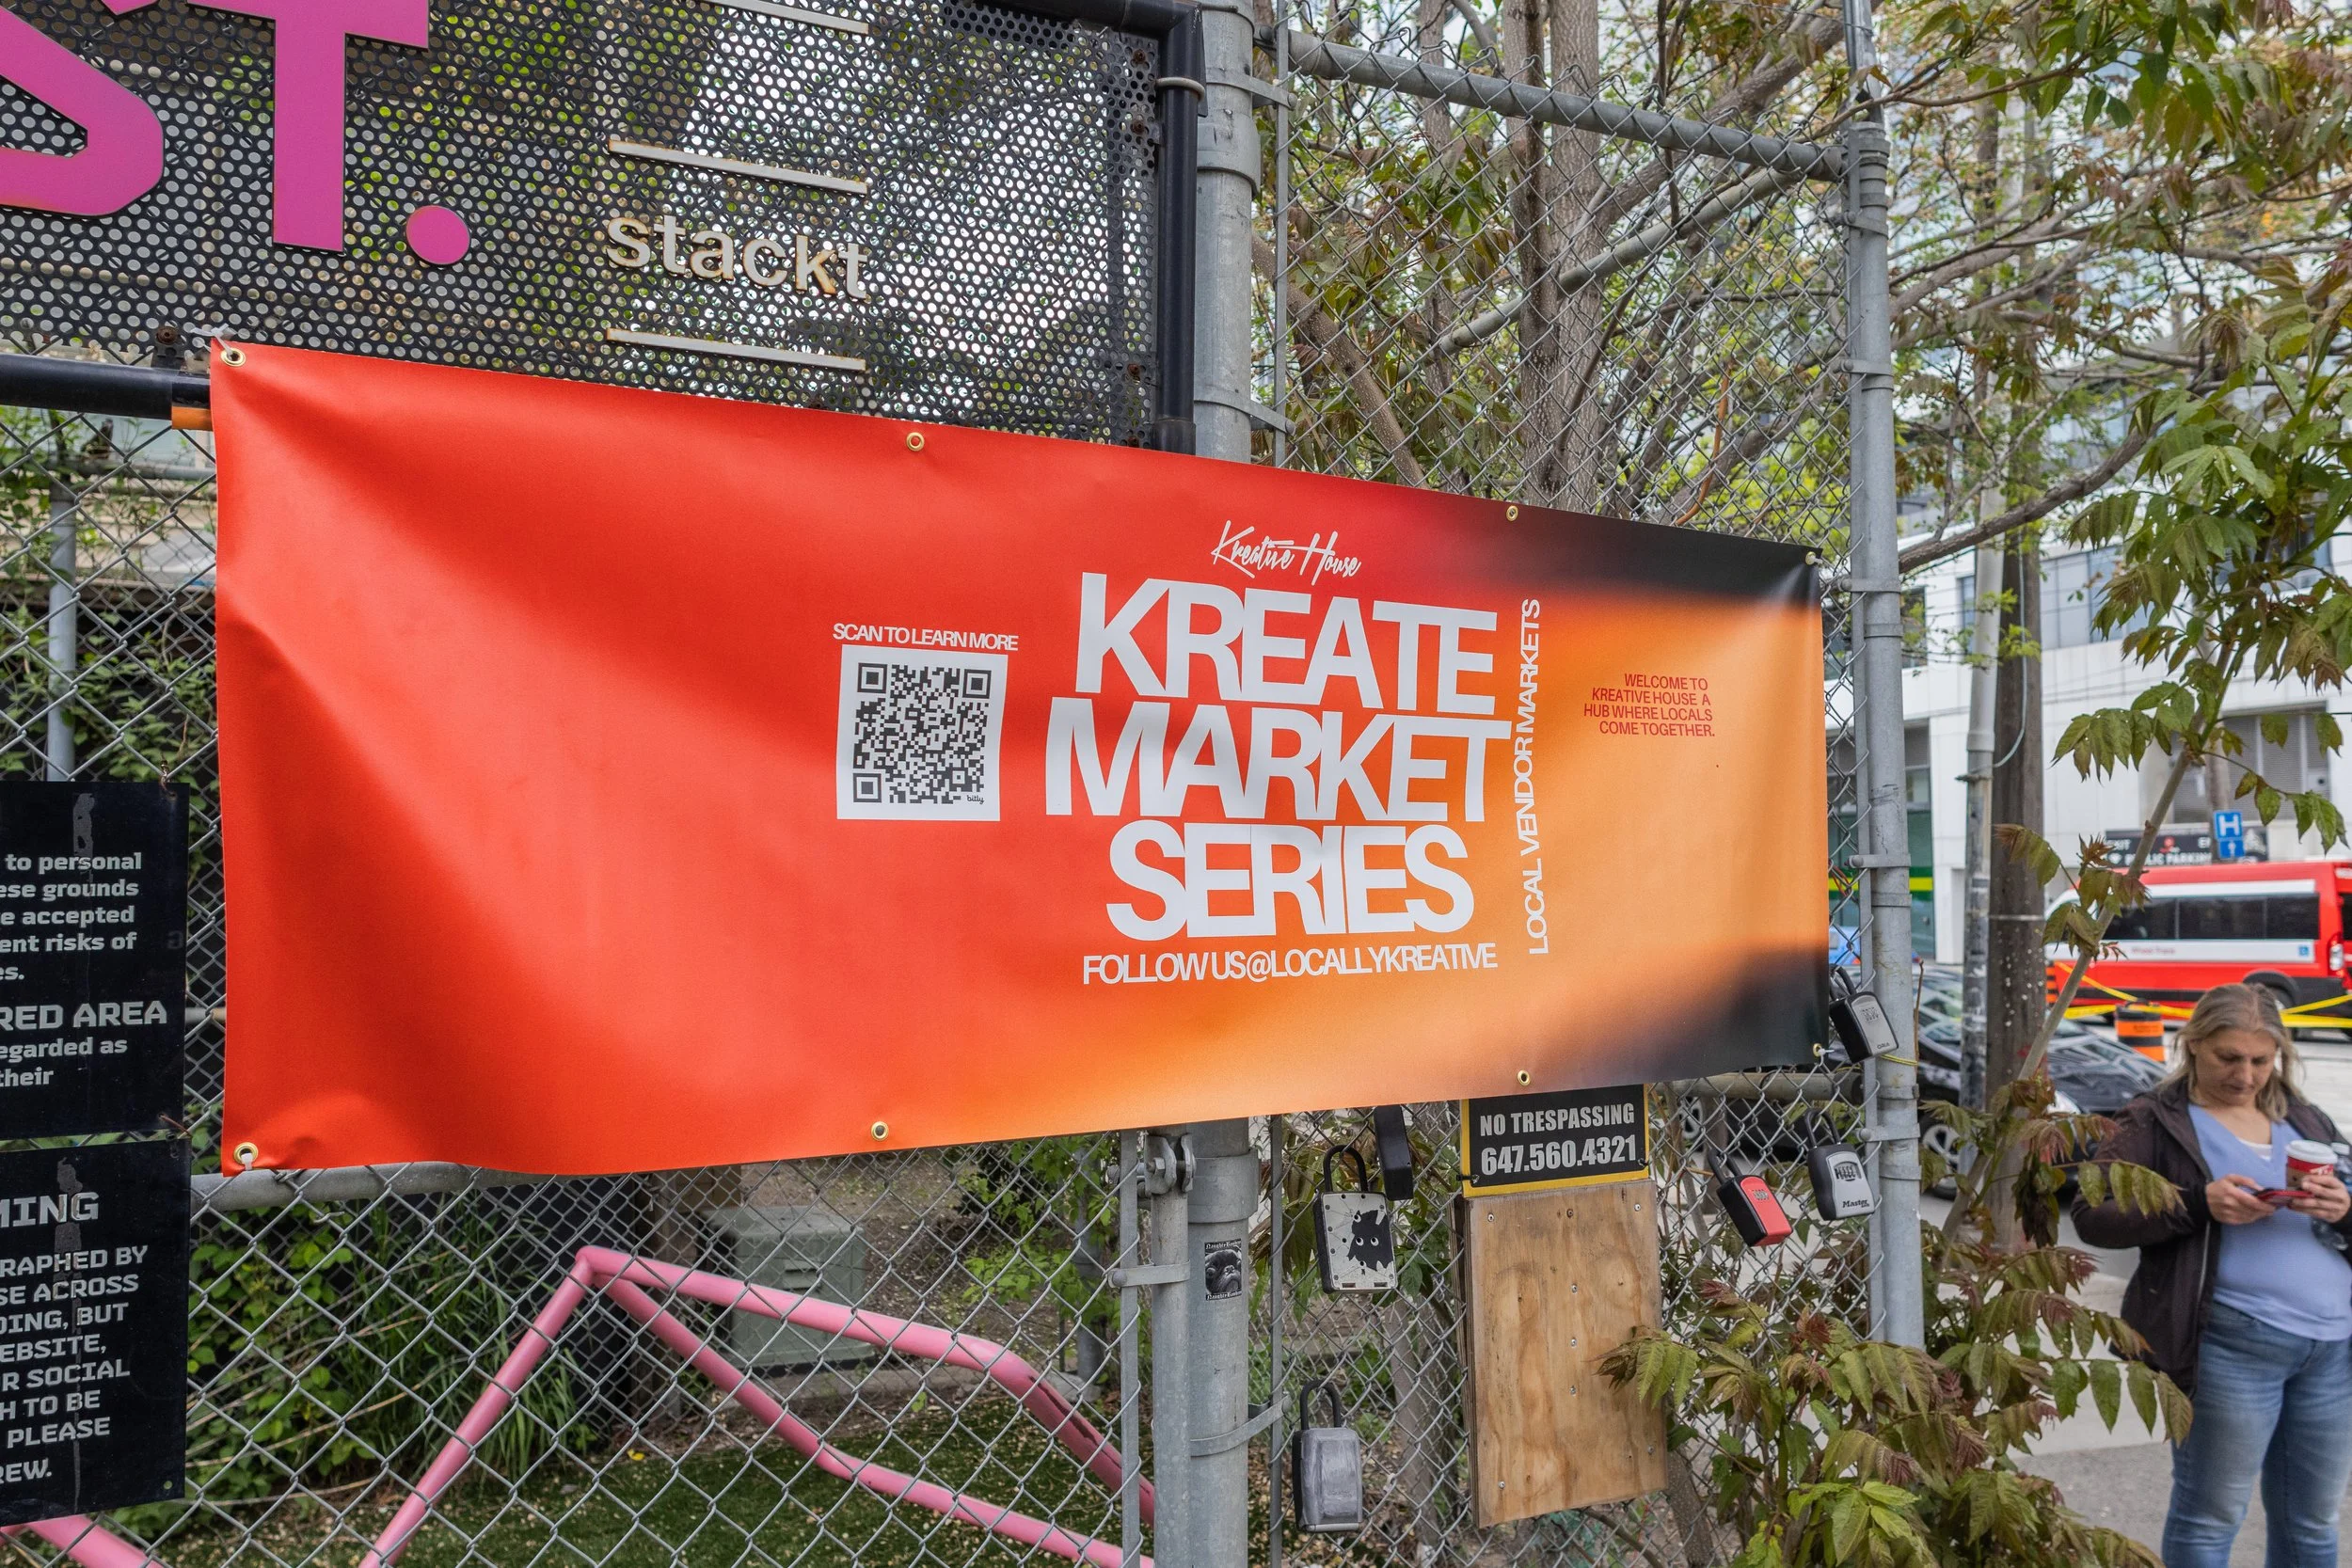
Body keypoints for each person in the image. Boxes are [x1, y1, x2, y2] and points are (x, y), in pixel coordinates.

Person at [2074, 983, 2352, 1568]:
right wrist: (2198, 1204)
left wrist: (2344, 1208)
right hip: (2228, 1346)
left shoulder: (2305, 1116)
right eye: (2229, 1057)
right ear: (2193, 1044)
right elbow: (2093, 1215)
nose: (2246, 1076)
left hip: (2332, 1348)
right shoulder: (2155, 1119)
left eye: (2260, 1059)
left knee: (2313, 1521)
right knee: (2211, 1517)